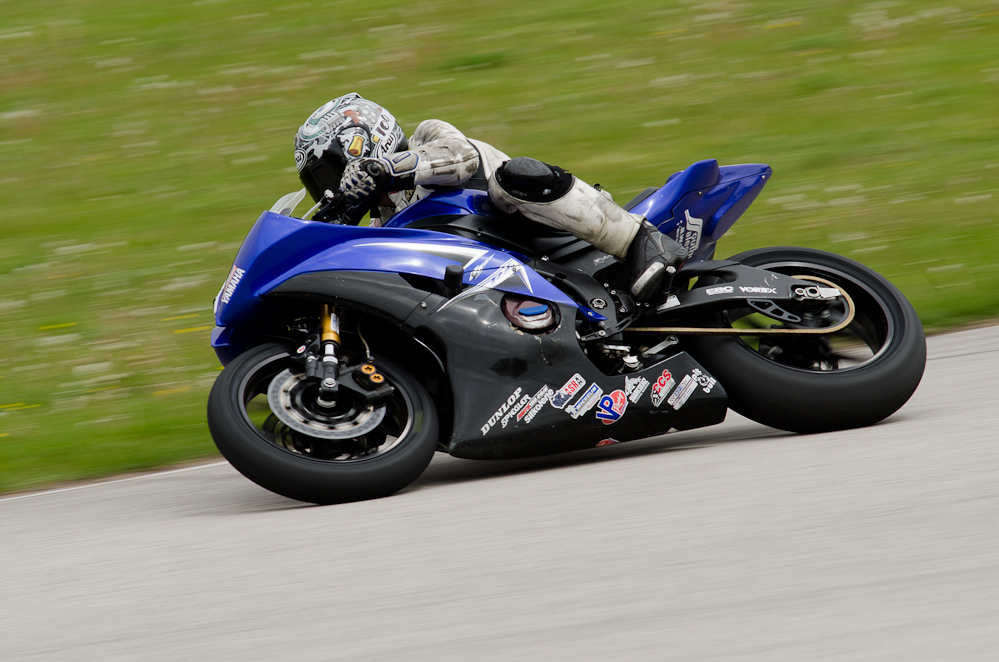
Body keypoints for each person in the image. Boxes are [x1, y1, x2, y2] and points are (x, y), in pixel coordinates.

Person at [293, 93, 686, 301]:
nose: (329, 187)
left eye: (328, 172)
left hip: (542, 231)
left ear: (359, 142)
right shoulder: (382, 228)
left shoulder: (427, 137)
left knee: (512, 176)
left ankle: (641, 240)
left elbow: (461, 159)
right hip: (492, 281)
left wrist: (386, 170)